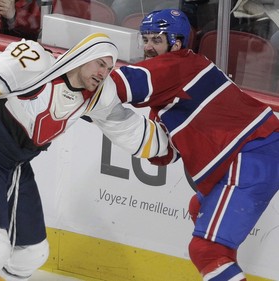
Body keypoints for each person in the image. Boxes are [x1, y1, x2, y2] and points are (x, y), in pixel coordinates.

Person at [0, 33, 168, 281]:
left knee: (32, 253)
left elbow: (130, 131)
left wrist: (174, 143)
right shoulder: (35, 65)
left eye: (109, 69)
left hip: (15, 168)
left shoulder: (98, 97)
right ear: (81, 56)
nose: (103, 73)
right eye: (100, 63)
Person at [110, 9, 279, 281]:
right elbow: (164, 154)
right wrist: (132, 137)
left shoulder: (176, 66)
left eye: (156, 39)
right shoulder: (172, 83)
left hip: (251, 155)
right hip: (254, 154)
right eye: (145, 39)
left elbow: (118, 85)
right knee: (198, 210)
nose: (148, 47)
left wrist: (78, 85)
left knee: (207, 250)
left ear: (176, 43)